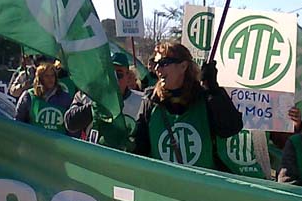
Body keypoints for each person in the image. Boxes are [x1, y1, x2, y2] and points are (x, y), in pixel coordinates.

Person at [132, 41, 242, 169]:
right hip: (163, 186)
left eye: (164, 63)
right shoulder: (151, 102)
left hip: (203, 185)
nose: (157, 69)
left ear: (183, 66)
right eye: (156, 64)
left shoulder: (205, 98)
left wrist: (214, 89)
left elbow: (231, 128)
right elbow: (139, 149)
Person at [64, 50, 143, 150]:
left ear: (128, 76)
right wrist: (94, 106)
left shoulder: (142, 101)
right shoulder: (87, 96)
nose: (113, 79)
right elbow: (70, 123)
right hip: (94, 159)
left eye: (119, 74)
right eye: (109, 73)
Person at [13, 61, 73, 132]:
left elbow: (72, 125)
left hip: (58, 141)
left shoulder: (65, 97)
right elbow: (19, 121)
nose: (50, 79)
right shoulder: (29, 96)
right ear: (40, 78)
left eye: (52, 75)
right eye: (46, 76)